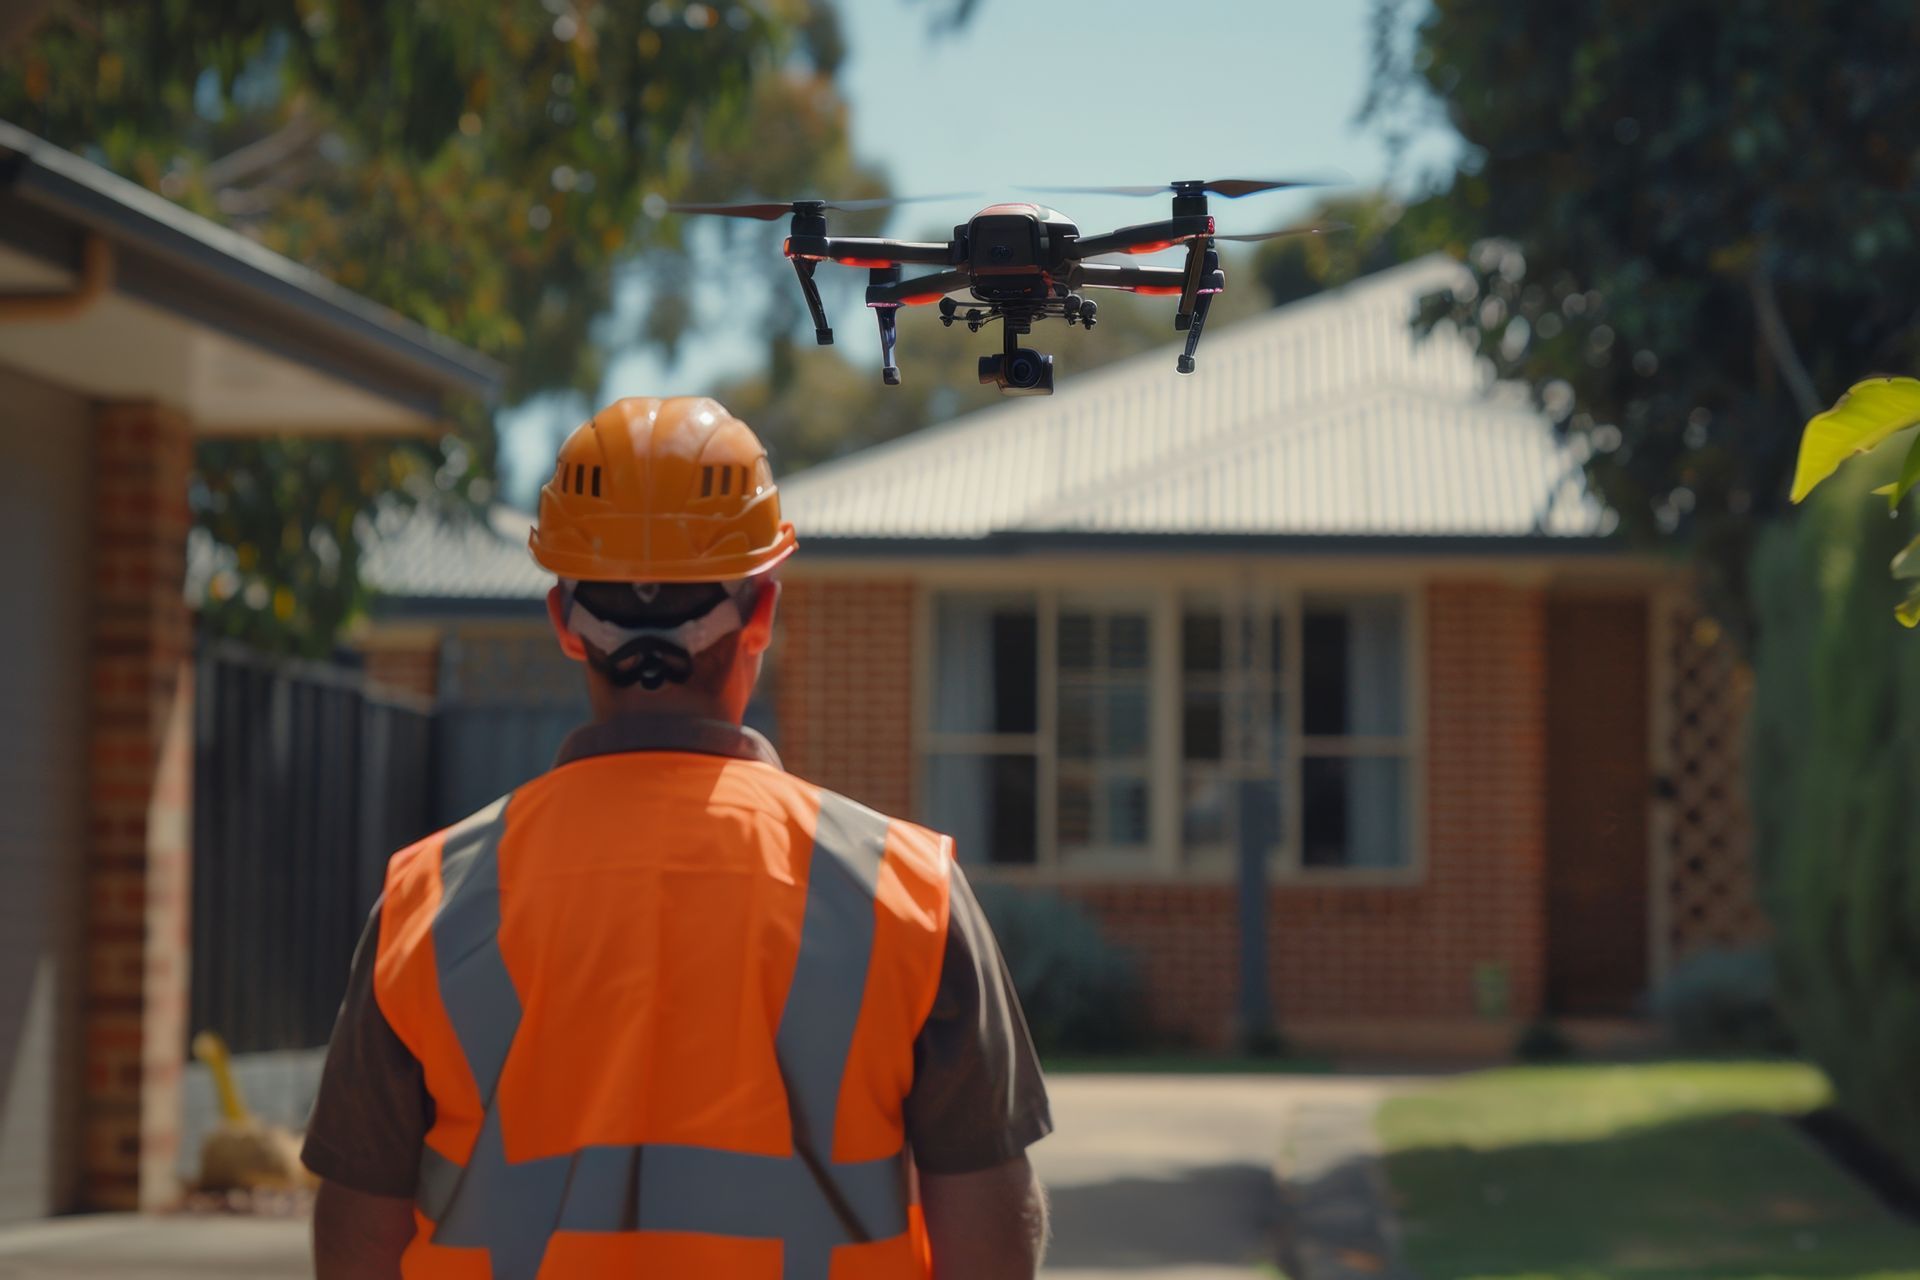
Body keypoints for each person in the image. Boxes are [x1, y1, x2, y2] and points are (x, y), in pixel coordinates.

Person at [301, 396, 1051, 1279]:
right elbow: (990, 1240)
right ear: (762, 612)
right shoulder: (906, 890)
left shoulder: (428, 898)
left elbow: (357, 1239)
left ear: (565, 623)